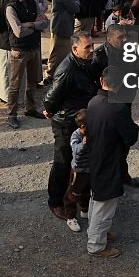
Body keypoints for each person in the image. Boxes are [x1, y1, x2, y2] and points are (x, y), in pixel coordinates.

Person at [43, 33, 99, 223]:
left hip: (81, 120)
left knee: (80, 161)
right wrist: (52, 112)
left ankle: (80, 197)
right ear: (75, 49)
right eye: (87, 47)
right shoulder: (67, 70)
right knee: (63, 162)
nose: (91, 50)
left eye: (92, 46)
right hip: (66, 124)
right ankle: (56, 201)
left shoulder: (84, 63)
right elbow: (49, 100)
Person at [86, 66, 139, 259]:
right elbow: (130, 136)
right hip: (110, 160)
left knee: (96, 198)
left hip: (95, 156)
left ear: (102, 81)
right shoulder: (118, 108)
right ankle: (96, 244)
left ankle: (97, 232)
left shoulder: (93, 101)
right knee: (105, 204)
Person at [4, 0, 48, 129]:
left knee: (33, 82)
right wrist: (35, 25)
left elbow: (45, 23)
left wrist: (31, 24)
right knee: (15, 85)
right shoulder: (11, 8)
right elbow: (18, 32)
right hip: (19, 51)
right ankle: (12, 114)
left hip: (34, 48)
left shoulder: (32, 2)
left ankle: (30, 108)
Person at [47, 0, 81, 81]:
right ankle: (52, 74)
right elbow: (76, 8)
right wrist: (76, 1)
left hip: (58, 24)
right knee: (59, 53)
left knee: (57, 50)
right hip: (62, 26)